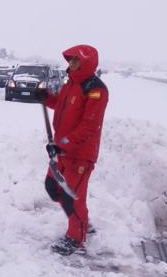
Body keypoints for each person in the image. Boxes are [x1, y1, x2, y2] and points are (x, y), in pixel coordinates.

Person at [36, 44, 109, 256]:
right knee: (53, 187)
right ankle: (81, 220)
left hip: (80, 155)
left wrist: (62, 143)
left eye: (75, 60)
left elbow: (89, 125)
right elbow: (61, 104)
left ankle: (76, 238)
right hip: (61, 151)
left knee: (72, 197)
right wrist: (47, 97)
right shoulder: (71, 84)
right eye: (70, 60)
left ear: (86, 61)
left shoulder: (96, 89)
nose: (71, 63)